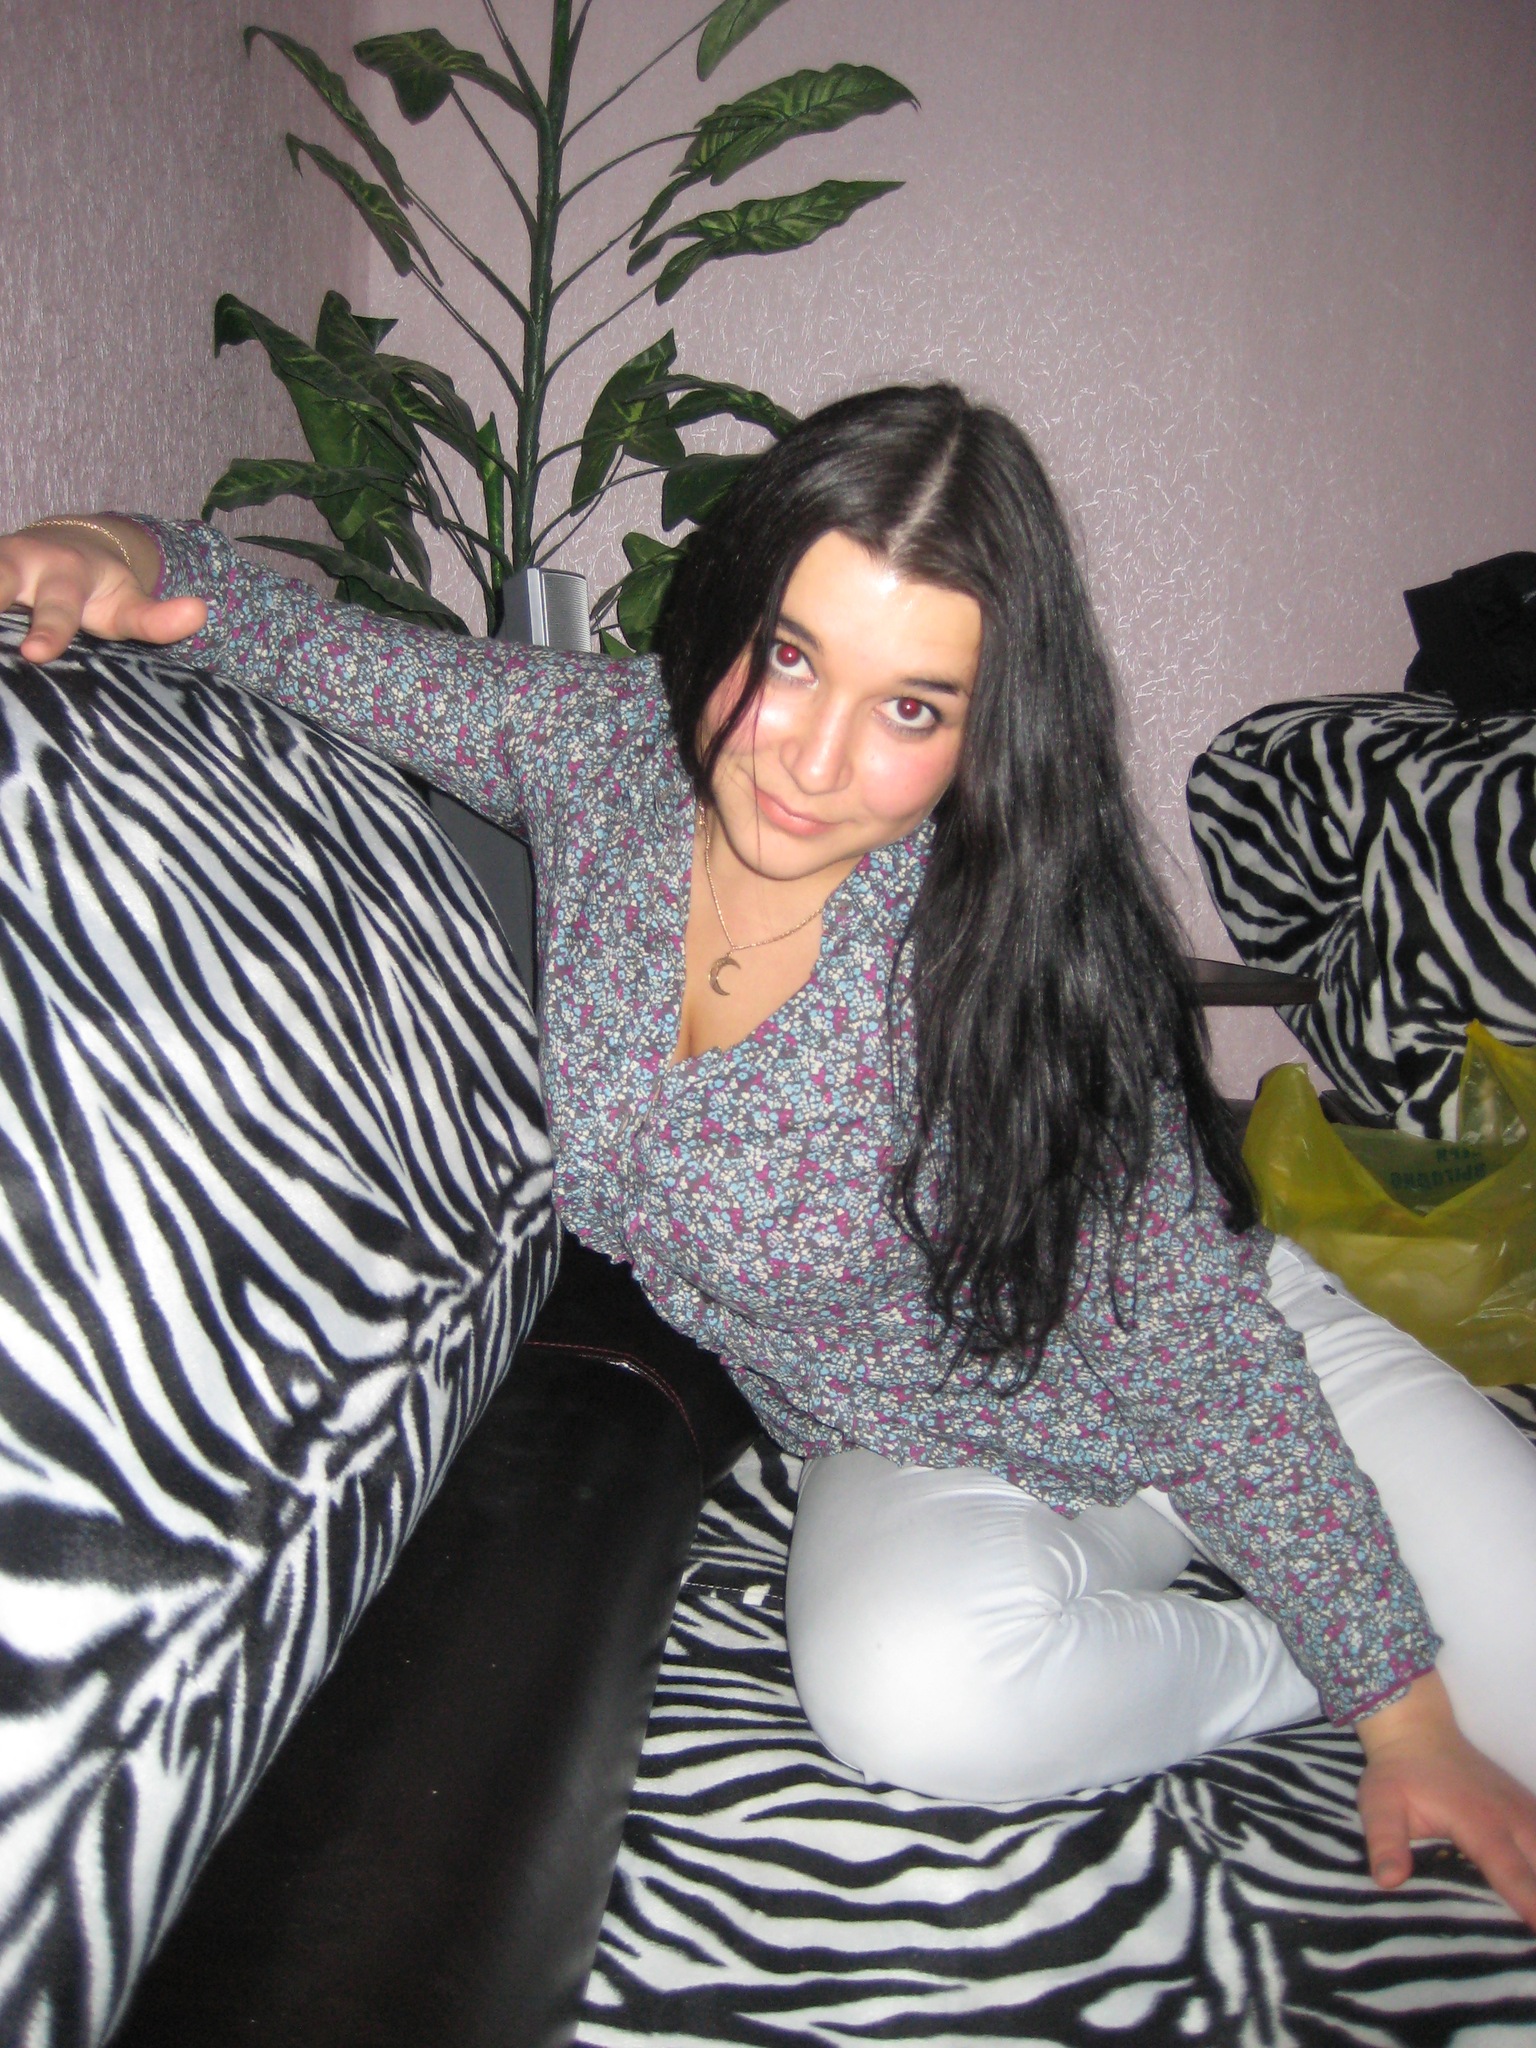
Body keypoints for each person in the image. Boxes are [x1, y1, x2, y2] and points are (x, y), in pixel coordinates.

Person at [4, 385, 1536, 1929]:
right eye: (791, 659)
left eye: (912, 709)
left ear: (987, 728)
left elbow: (1206, 1368)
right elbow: (314, 647)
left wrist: (1407, 1711)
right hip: (912, 1433)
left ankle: (1365, 1625)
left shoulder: (1020, 960)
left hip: (1229, 1374)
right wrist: (111, 546)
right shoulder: (609, 754)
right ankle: (1283, 1661)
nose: (811, 759)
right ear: (730, 618)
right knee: (912, 1699)